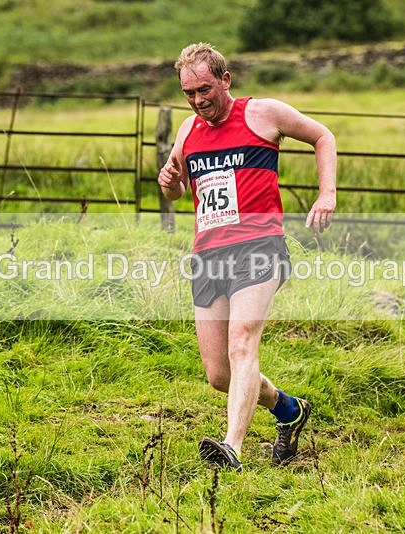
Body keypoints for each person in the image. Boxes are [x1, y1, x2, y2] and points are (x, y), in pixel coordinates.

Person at [157, 43, 336, 470]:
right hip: (208, 256)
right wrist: (168, 182)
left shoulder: (263, 114)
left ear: (225, 80)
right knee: (220, 374)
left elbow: (322, 136)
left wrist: (326, 193)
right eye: (189, 93)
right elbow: (178, 190)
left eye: (204, 89)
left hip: (259, 246)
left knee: (242, 343)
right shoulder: (187, 132)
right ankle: (288, 410)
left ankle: (231, 448)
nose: (198, 100)